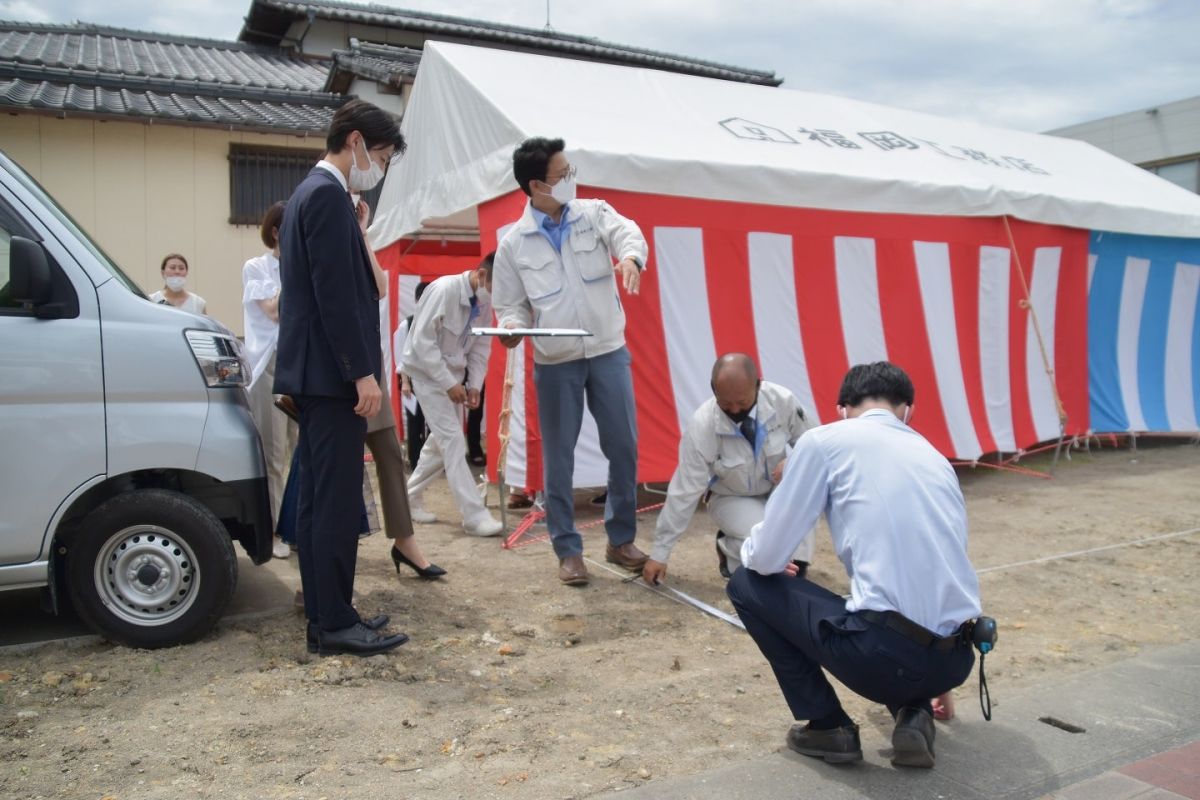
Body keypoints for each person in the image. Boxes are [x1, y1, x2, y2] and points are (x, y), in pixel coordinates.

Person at [726, 362, 982, 769]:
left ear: (842, 408)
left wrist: (763, 560)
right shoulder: (935, 457)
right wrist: (940, 672)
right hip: (957, 659)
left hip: (884, 657)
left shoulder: (825, 441)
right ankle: (913, 711)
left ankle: (828, 725)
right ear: (908, 411)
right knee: (883, 619)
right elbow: (944, 563)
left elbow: (766, 554)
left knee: (745, 583)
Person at [274, 99, 409, 658]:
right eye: (378, 155)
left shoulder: (313, 193)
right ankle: (333, 622)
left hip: (315, 371)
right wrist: (362, 374)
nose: (376, 168)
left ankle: (332, 612)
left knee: (317, 499)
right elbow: (337, 297)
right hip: (332, 375)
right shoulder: (328, 196)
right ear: (354, 142)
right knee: (331, 501)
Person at [493, 137, 648, 586]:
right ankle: (567, 549)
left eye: (571, 170)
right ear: (537, 185)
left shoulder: (593, 213)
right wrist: (509, 329)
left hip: (607, 350)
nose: (571, 180)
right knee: (558, 459)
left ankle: (620, 540)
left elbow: (627, 233)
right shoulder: (513, 245)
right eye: (563, 175)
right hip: (555, 360)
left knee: (624, 446)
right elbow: (511, 306)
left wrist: (632, 258)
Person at [642, 353, 815, 586]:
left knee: (795, 560)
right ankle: (729, 548)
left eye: (742, 403)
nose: (735, 410)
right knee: (769, 546)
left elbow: (815, 445)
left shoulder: (783, 401)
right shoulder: (702, 425)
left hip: (778, 490)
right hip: (731, 497)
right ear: (713, 390)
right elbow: (684, 491)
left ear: (758, 384)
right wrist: (659, 554)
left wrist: (794, 461)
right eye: (726, 404)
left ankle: (772, 555)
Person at [355, 205, 444, 580]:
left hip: (367, 368)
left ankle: (405, 542)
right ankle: (315, 550)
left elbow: (379, 287)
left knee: (390, 455)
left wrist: (362, 233)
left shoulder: (356, 241)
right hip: (336, 375)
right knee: (332, 470)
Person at [402, 256, 503, 537]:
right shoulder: (444, 290)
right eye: (497, 285)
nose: (498, 295)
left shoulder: (483, 302)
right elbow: (422, 343)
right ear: (481, 275)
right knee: (453, 440)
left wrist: (474, 385)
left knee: (441, 442)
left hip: (453, 377)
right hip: (426, 374)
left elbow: (481, 345)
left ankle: (407, 497)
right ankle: (474, 516)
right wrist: (448, 383)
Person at [242, 201, 295, 560]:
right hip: (269, 364)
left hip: (300, 363)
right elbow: (274, 311)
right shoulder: (256, 267)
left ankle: (294, 526)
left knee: (299, 450)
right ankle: (274, 530)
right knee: (274, 454)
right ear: (277, 231)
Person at [393, 281, 431, 470]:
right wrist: (405, 383)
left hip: (433, 381)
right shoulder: (405, 325)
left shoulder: (436, 322)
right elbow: (401, 357)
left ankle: (433, 463)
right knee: (415, 423)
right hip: (413, 382)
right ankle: (416, 462)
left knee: (433, 424)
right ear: (417, 300)